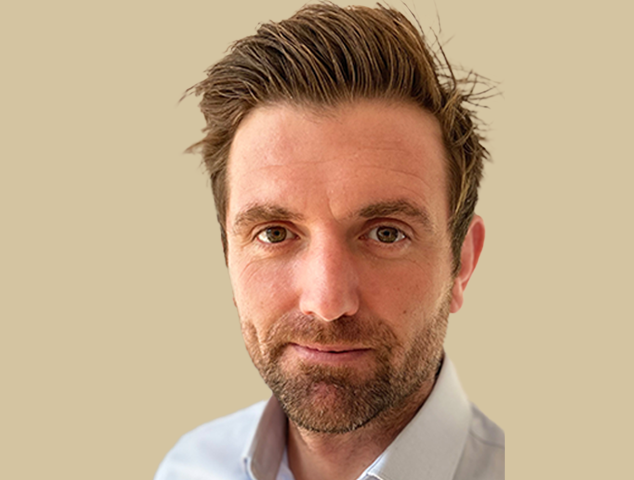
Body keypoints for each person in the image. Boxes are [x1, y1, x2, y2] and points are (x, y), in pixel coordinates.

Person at [155, 3, 504, 479]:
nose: (327, 304)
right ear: (228, 255)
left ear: (461, 263)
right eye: (274, 234)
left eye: (386, 234)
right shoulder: (189, 467)